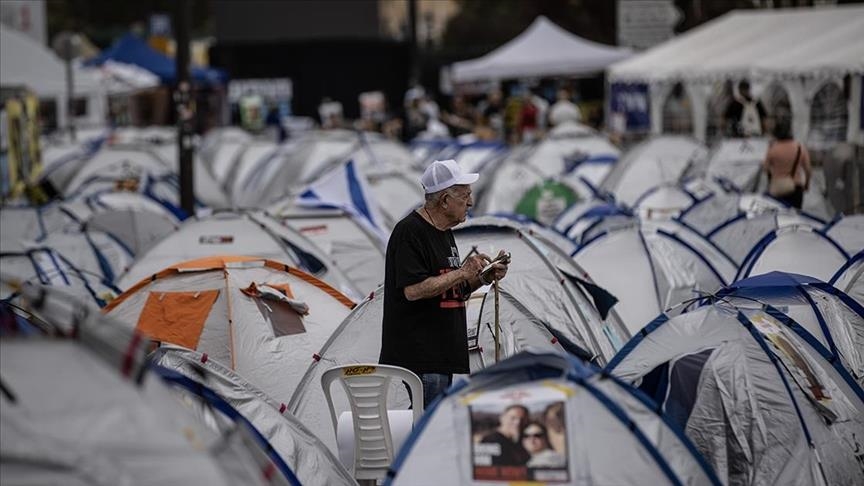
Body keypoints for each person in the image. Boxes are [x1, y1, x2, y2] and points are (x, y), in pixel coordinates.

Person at [379, 159, 509, 407]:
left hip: (442, 353)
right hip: (422, 356)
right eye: (465, 197)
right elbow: (413, 291)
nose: (470, 203)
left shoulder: (444, 231)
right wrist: (462, 271)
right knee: (430, 426)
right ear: (445, 200)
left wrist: (482, 278)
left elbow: (449, 290)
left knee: (430, 421)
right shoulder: (410, 232)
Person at [763, 118, 811, 209]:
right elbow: (808, 170)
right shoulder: (800, 148)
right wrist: (807, 184)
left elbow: (765, 168)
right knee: (796, 217)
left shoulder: (773, 149)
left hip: (777, 189)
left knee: (778, 217)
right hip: (796, 188)